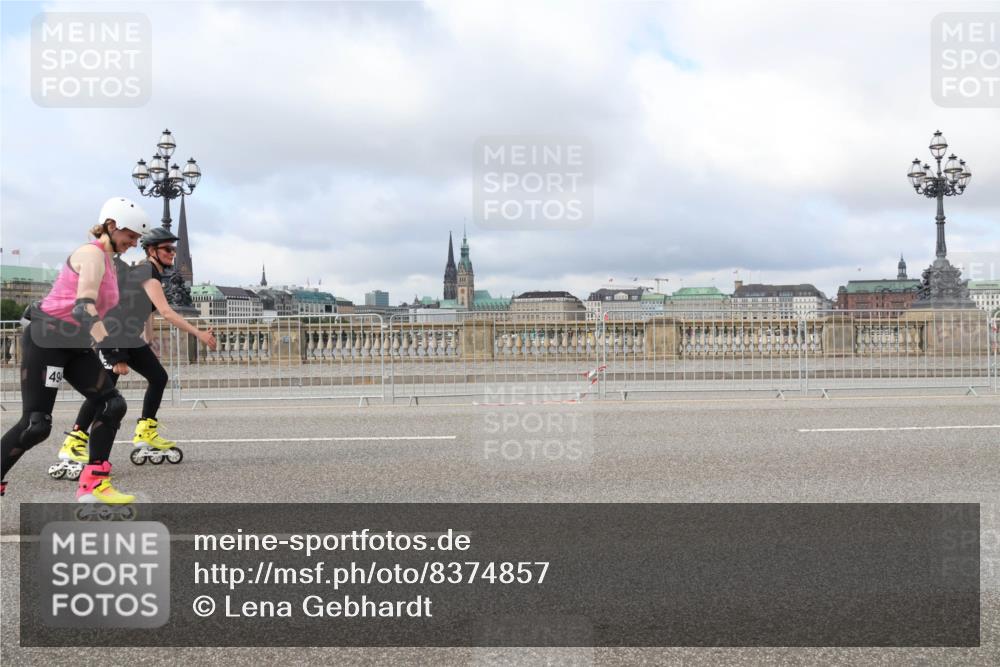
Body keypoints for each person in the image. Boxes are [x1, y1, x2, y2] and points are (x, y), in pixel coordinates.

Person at [0, 197, 148, 502]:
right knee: (35, 425)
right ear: (110, 226)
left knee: (112, 405)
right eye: (130, 236)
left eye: (137, 239)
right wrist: (110, 347)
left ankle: (94, 486)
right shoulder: (91, 255)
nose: (133, 243)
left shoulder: (109, 263)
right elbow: (84, 308)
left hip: (75, 344)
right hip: (48, 340)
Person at [52, 227, 217, 476]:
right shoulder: (148, 273)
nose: (172, 253)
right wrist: (200, 334)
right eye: (167, 249)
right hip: (113, 335)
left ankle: (146, 431)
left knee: (158, 377)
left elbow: (145, 309)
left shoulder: (150, 272)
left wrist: (148, 339)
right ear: (152, 251)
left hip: (129, 336)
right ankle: (74, 440)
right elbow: (167, 312)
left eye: (173, 249)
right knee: (103, 392)